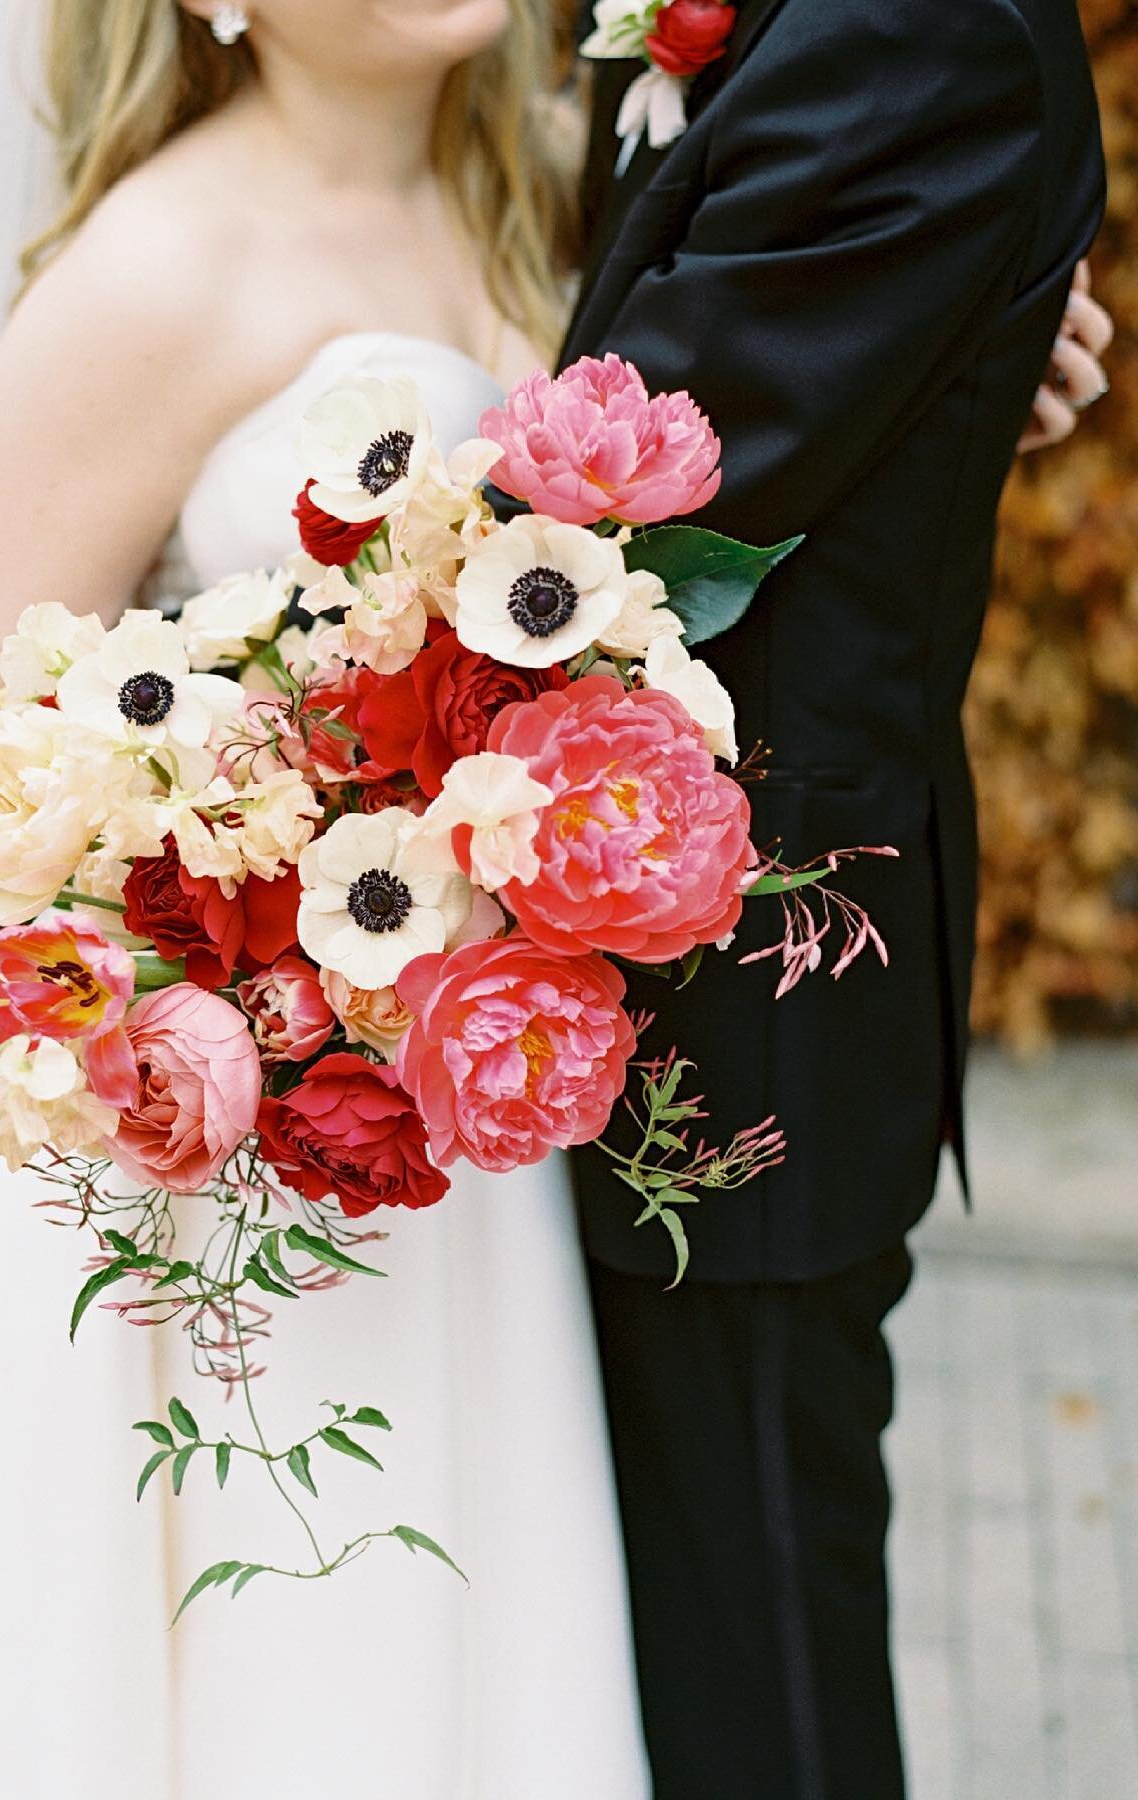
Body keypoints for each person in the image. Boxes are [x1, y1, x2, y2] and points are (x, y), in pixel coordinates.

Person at [0, 5, 653, 1796]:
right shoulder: (155, 270)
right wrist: (237, 920)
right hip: (205, 1203)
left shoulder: (540, 202)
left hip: (451, 1144)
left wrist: (1003, 330)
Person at [564, 2, 1108, 1796]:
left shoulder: (908, 27)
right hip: (594, 966)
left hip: (732, 1003)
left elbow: (603, 517)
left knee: (757, 1684)